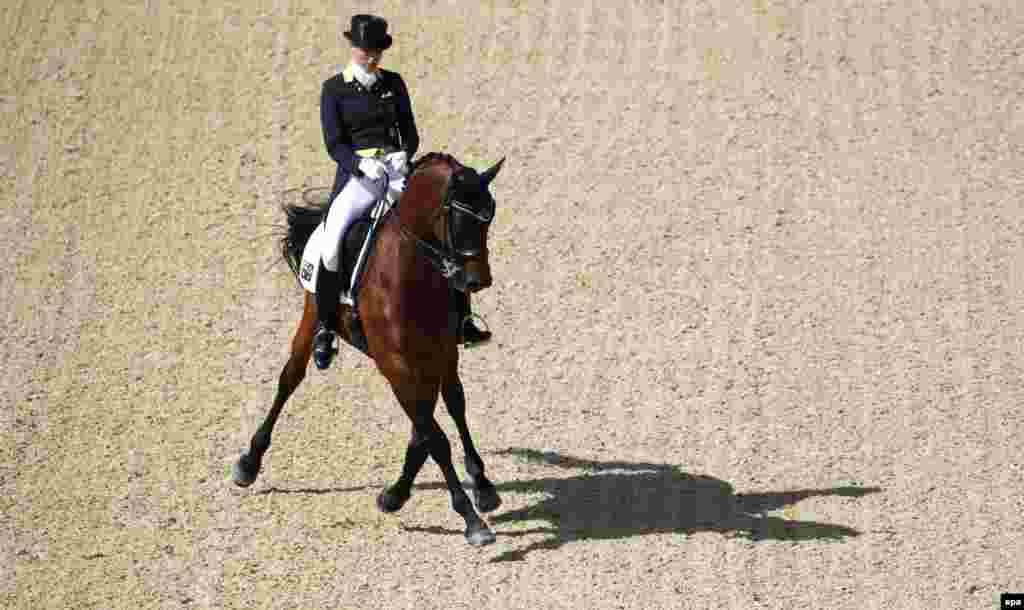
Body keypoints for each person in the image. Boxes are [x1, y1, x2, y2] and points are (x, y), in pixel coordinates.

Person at [314, 14, 491, 370]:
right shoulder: (334, 89)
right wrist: (361, 164)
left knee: (442, 226)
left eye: (377, 50)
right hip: (358, 178)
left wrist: (402, 154)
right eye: (366, 50)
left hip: (395, 172)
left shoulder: (393, 83)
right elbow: (334, 143)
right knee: (331, 239)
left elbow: (410, 132)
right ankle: (326, 327)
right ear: (353, 48)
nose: (372, 57)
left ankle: (462, 318)